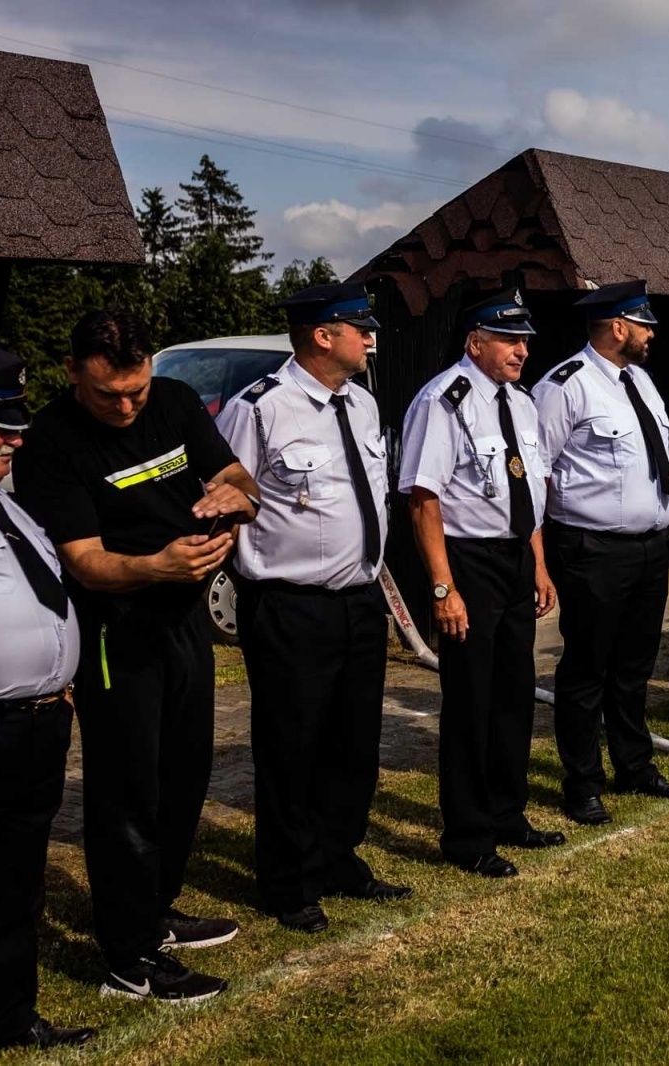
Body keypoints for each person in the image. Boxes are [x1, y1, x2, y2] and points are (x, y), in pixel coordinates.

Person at [14, 311, 257, 1002]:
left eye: (135, 392)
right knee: (127, 788)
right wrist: (159, 564)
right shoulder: (51, 443)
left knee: (186, 772)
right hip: (114, 630)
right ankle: (127, 957)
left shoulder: (175, 401)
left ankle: (156, 909)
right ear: (71, 374)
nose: (125, 407)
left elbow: (239, 475)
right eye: (107, 395)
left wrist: (233, 497)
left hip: (182, 621)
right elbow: (85, 564)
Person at [217, 282, 409, 931]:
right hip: (290, 604)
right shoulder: (260, 408)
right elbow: (224, 499)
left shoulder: (359, 401)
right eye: (359, 327)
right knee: (291, 747)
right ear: (322, 335)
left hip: (358, 600)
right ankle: (288, 879)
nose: (370, 337)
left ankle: (335, 856)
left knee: (353, 744)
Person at [400, 288, 563, 877]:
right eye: (510, 339)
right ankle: (468, 835)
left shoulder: (520, 403)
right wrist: (443, 588)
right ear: (476, 342)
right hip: (466, 561)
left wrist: (539, 563)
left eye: (525, 341)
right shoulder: (444, 400)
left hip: (516, 558)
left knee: (515, 693)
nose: (522, 350)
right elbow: (424, 499)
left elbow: (531, 493)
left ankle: (507, 813)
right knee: (471, 700)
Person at [532, 280, 669, 826]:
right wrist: (542, 556)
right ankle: (583, 783)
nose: (652, 335)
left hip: (650, 547)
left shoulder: (643, 383)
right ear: (618, 327)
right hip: (593, 548)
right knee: (587, 670)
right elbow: (540, 472)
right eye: (644, 325)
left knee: (634, 666)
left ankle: (635, 765)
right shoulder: (565, 386)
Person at [0, 350, 96, 1051]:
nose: (15, 438)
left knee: (18, 882)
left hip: (37, 723)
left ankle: (11, 1015)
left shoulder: (11, 504)